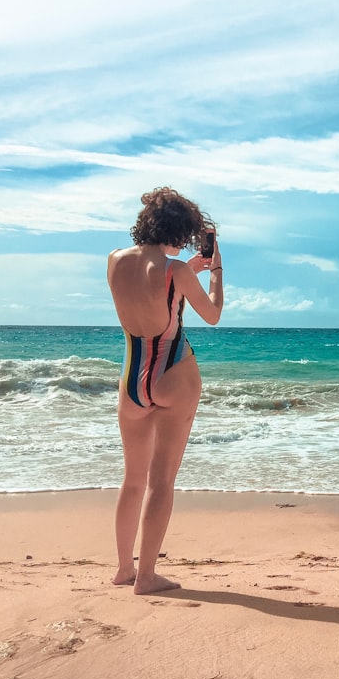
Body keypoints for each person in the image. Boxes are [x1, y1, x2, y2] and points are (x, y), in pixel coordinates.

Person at [107, 187, 223, 594]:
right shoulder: (178, 271)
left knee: (133, 480)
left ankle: (124, 568)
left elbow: (154, 292)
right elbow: (211, 314)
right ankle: (147, 576)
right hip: (173, 372)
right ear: (181, 229)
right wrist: (215, 273)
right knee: (162, 482)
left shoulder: (115, 261)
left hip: (131, 377)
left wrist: (188, 268)